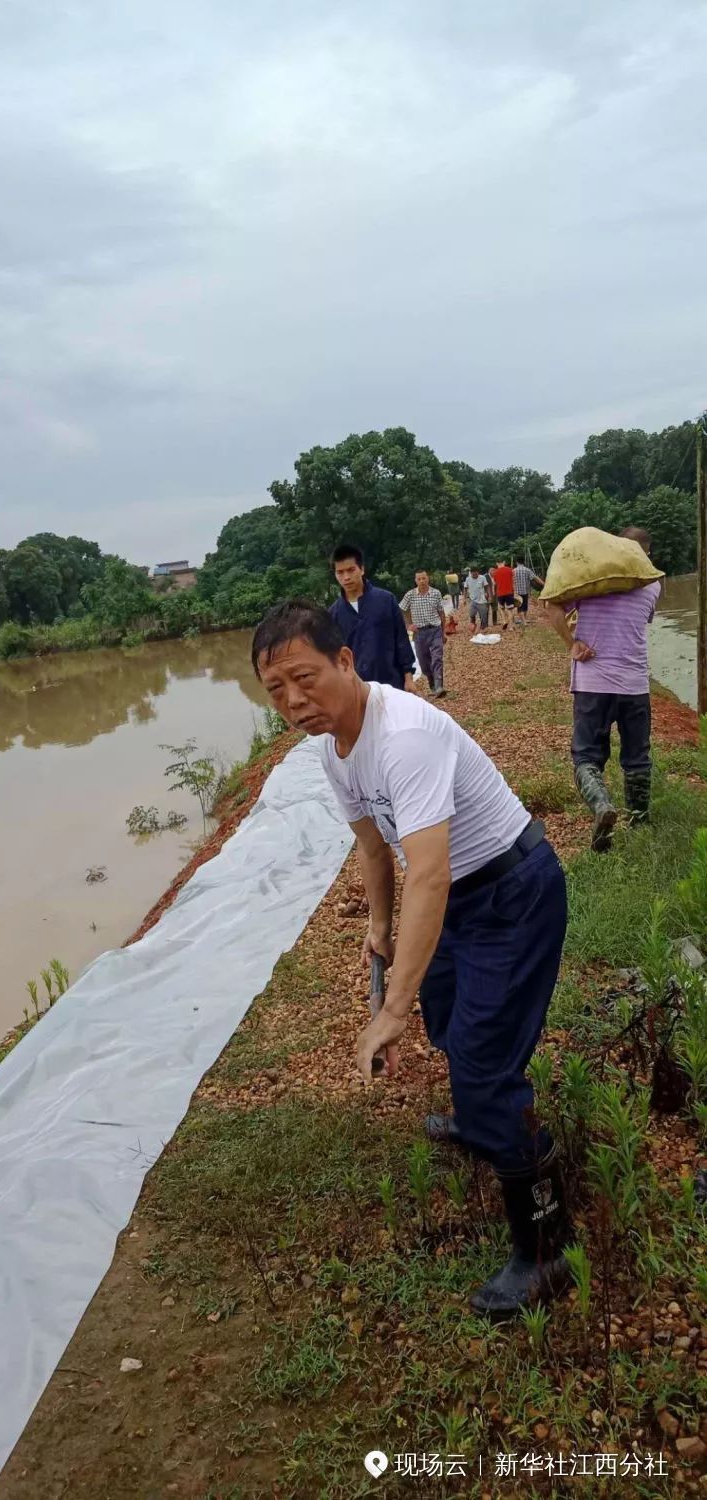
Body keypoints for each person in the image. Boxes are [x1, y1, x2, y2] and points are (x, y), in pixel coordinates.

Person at [252, 601, 572, 1317]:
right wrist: (381, 925)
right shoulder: (334, 748)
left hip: (510, 894)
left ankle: (547, 1250)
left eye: (305, 679)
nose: (295, 702)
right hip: (457, 899)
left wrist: (390, 1007)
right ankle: (476, 1119)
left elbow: (427, 870)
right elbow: (374, 847)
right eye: (276, 691)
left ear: (345, 661)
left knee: (486, 1064)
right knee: (449, 1023)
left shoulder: (404, 736)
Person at [546, 527, 660, 851]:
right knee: (637, 757)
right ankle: (639, 819)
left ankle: (601, 806)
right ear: (645, 555)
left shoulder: (590, 581)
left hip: (592, 683)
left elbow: (553, 608)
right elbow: (644, 619)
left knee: (586, 756)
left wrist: (573, 643)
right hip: (635, 685)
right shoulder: (653, 585)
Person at [329, 544, 416, 692]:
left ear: (361, 569)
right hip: (357, 691)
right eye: (340, 572)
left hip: (392, 684)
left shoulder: (386, 600)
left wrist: (408, 678)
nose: (346, 577)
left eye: (351, 570)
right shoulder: (333, 614)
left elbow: (401, 640)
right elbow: (335, 657)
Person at [399, 569, 447, 698]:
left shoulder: (436, 593)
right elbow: (402, 610)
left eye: (424, 578)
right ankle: (432, 681)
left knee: (437, 658)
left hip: (435, 629)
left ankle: (439, 686)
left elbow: (441, 613)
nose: (422, 581)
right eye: (419, 579)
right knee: (424, 663)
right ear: (415, 581)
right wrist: (408, 624)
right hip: (420, 633)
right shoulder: (410, 595)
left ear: (428, 578)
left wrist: (443, 632)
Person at [512, 562, 545, 628]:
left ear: (517, 562)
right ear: (523, 562)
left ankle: (524, 621)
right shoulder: (527, 570)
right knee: (525, 606)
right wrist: (544, 584)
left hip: (517, 592)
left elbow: (510, 580)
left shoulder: (513, 571)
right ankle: (524, 620)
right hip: (525, 591)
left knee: (520, 607)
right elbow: (535, 578)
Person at [463, 567, 490, 635]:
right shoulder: (468, 579)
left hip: (482, 600)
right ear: (471, 573)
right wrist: (464, 599)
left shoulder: (482, 578)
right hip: (472, 600)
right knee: (472, 614)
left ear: (478, 573)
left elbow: (486, 586)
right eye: (473, 574)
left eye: (476, 574)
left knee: (483, 615)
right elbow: (465, 589)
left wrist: (487, 593)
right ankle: (473, 626)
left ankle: (483, 627)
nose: (475, 575)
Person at [493, 560, 516, 630]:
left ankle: (504, 621)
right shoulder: (510, 570)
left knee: (501, 608)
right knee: (510, 610)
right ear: (504, 562)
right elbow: (513, 581)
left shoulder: (495, 572)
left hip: (500, 593)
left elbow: (495, 583)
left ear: (497, 563)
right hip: (509, 592)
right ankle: (511, 626)